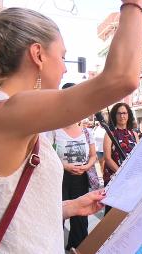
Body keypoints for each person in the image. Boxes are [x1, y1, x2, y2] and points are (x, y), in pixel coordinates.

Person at [0, 3, 142, 253]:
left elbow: (3, 209)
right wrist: (135, 6)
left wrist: (70, 207)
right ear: (38, 54)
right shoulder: (7, 113)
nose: (65, 68)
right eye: (61, 56)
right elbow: (122, 77)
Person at [46, 82, 98, 250]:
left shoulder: (86, 131)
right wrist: (66, 167)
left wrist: (86, 166)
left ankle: (78, 247)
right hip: (60, 177)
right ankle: (55, 249)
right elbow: (48, 155)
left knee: (81, 216)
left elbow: (93, 156)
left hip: (80, 177)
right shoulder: (53, 129)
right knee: (57, 215)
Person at [103, 103, 139, 214]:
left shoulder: (134, 133)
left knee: (127, 211)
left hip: (130, 179)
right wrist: (122, 173)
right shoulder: (110, 133)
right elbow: (108, 158)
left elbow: (137, 156)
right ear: (114, 116)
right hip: (114, 177)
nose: (122, 116)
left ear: (128, 115)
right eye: (119, 113)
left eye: (124, 113)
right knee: (112, 212)